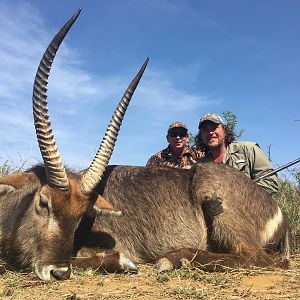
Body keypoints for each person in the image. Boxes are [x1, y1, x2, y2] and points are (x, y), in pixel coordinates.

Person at [195, 113, 279, 195]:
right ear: (201, 136)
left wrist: (238, 194)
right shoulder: (200, 166)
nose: (210, 132)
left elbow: (270, 182)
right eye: (205, 130)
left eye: (214, 127)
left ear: (225, 130)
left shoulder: (249, 149)